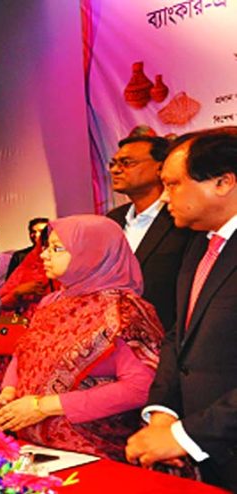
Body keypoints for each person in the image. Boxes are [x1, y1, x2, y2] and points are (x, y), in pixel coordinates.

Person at [0, 215, 164, 461]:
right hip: (35, 449)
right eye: (48, 247)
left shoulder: (124, 310)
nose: (44, 255)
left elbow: (140, 388)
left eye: (57, 249)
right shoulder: (52, 302)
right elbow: (24, 352)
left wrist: (43, 407)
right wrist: (8, 394)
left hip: (94, 453)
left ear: (92, 254)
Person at [126, 127, 237, 490]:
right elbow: (180, 336)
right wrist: (164, 413)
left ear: (223, 182)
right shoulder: (199, 245)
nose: (163, 198)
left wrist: (186, 435)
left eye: (173, 185)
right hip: (212, 460)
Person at [106, 135, 193, 334]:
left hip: (168, 336)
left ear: (160, 168)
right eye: (113, 163)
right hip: (117, 340)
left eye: (126, 163)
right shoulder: (112, 220)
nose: (116, 170)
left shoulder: (182, 220)